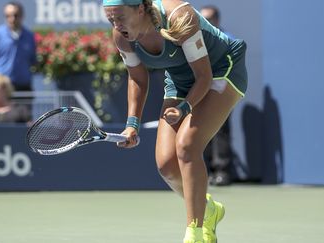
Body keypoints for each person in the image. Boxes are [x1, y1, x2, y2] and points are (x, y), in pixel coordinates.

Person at [102, 0, 247, 242]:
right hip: (181, 79)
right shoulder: (122, 36)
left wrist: (184, 107)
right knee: (167, 165)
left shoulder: (180, 18)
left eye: (120, 18)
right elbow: (137, 78)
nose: (117, 25)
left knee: (187, 145)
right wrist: (132, 124)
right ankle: (208, 209)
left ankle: (195, 232)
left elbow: (204, 76)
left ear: (139, 9)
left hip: (222, 68)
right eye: (111, 20)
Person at [200, 5, 239, 186]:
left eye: (208, 19)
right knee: (201, 132)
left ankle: (222, 171)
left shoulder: (228, 40)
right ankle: (204, 171)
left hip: (222, 94)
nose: (204, 22)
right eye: (202, 18)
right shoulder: (196, 39)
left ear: (217, 20)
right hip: (200, 93)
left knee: (220, 131)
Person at [0, 1, 36, 92]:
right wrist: (0, 74)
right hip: (1, 89)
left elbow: (33, 61)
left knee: (24, 107)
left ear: (22, 16)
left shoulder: (29, 36)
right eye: (8, 16)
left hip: (23, 87)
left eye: (16, 15)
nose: (12, 19)